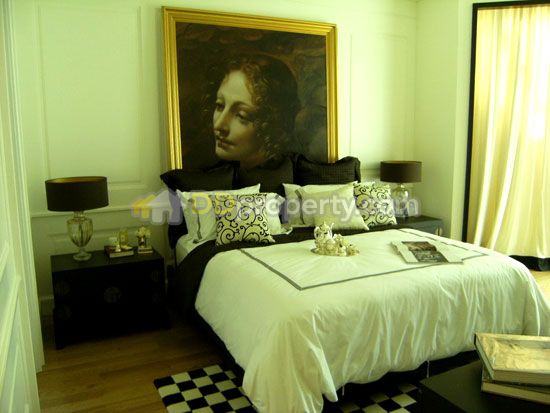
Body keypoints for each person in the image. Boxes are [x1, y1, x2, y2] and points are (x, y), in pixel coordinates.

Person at [210, 54, 300, 169]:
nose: (218, 125)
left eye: (241, 116)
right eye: (220, 106)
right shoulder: (217, 173)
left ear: (272, 123)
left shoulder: (294, 172)